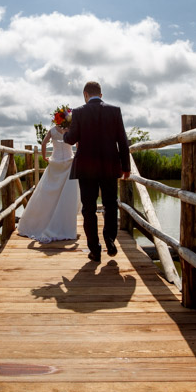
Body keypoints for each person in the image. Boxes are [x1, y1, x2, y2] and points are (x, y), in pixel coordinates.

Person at [63, 81, 130, 262]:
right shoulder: (114, 110)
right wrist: (126, 167)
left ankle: (95, 249)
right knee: (110, 204)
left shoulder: (77, 112)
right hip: (109, 167)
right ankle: (110, 240)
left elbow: (71, 139)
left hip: (86, 168)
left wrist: (65, 132)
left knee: (89, 209)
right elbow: (123, 141)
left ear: (85, 94)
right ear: (100, 95)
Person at [17, 106, 80, 243]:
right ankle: (64, 224)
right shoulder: (71, 131)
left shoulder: (52, 131)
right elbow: (78, 144)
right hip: (69, 162)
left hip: (55, 163)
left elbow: (44, 144)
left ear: (57, 119)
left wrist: (45, 157)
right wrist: (76, 156)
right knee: (66, 194)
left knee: (48, 193)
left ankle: (42, 221)